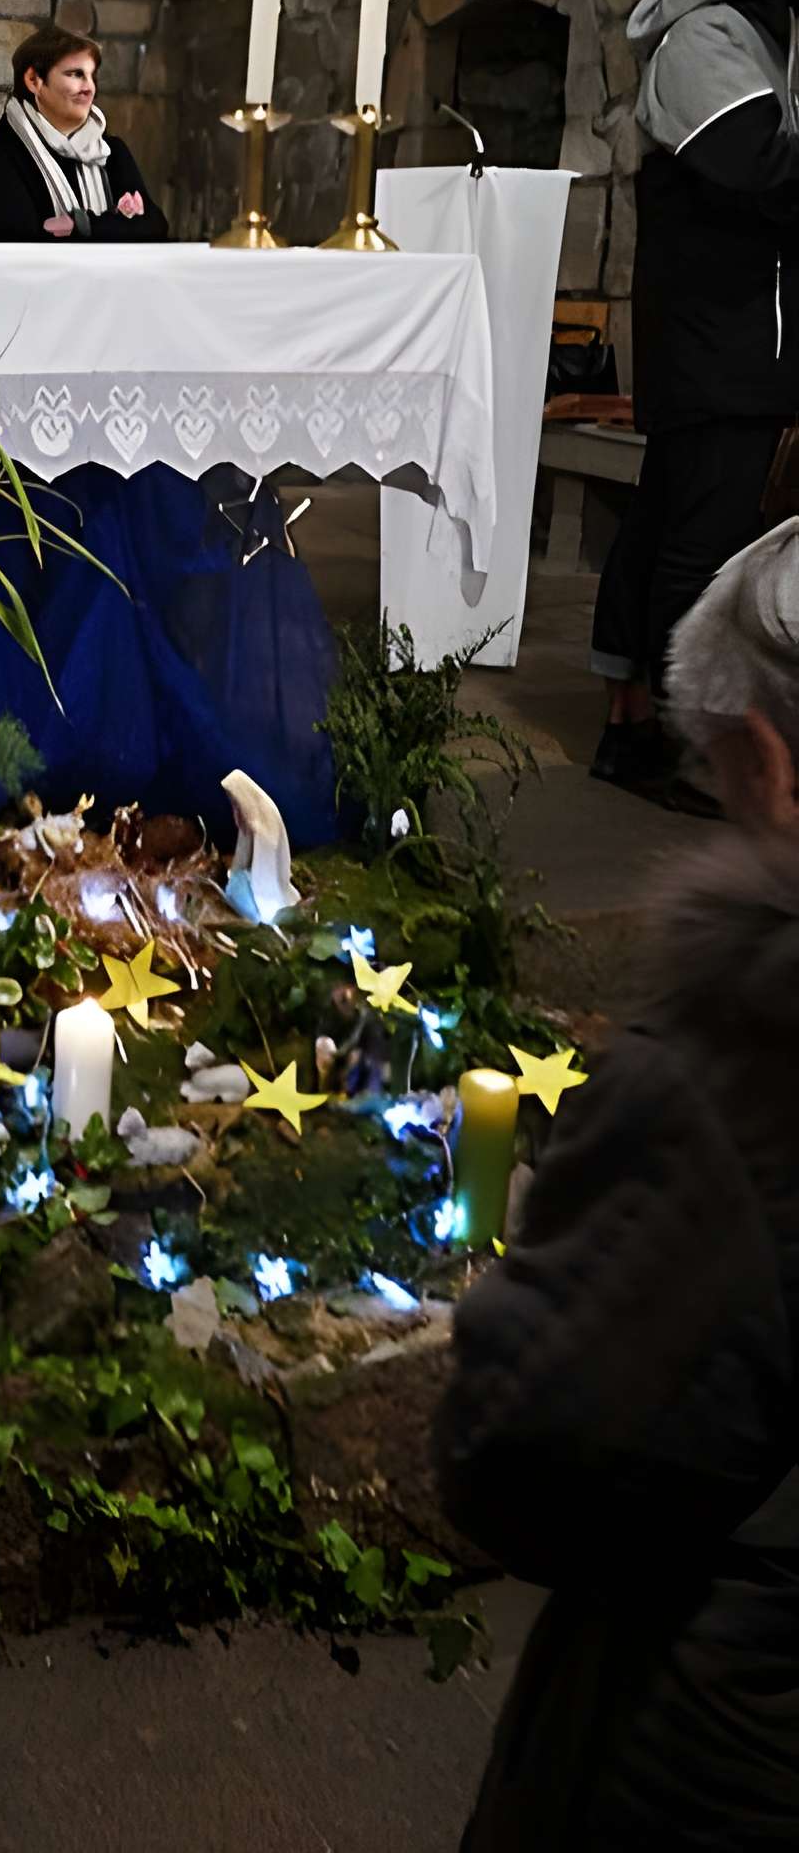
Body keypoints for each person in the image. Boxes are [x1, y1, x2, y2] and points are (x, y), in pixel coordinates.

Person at [439, 517, 799, 1851]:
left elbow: (526, 1455)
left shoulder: (730, 1077)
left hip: (720, 1755)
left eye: (715, 779)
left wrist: (519, 1288)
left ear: (767, 761)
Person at [591, 0, 799, 798]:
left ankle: (637, 727)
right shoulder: (699, 33)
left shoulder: (760, 22)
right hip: (722, 340)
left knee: (674, 526)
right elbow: (763, 166)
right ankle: (685, 749)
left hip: (735, 339)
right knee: (704, 549)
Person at [0, 25, 169, 241]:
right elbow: (24, 247)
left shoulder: (110, 151)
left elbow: (155, 226)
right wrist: (119, 226)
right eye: (76, 74)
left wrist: (83, 225)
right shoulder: (5, 156)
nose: (89, 88)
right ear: (33, 80)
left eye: (91, 75)